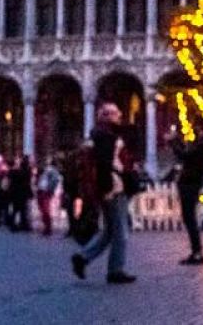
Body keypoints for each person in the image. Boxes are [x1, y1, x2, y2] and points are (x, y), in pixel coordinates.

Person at [71, 102, 138, 284]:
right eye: (116, 113)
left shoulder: (101, 134)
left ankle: (83, 257)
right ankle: (115, 270)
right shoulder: (106, 137)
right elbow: (104, 165)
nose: (120, 115)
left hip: (110, 187)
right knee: (121, 231)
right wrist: (107, 188)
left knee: (109, 230)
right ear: (107, 116)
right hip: (114, 188)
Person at [169, 121, 203, 264]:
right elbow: (187, 153)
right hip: (191, 181)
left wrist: (173, 142)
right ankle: (196, 250)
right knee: (189, 217)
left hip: (190, 182)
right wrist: (177, 140)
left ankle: (197, 251)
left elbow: (185, 156)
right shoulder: (201, 144)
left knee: (189, 217)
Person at [35, 158, 62, 236]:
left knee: (45, 209)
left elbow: (54, 181)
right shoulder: (47, 170)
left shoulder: (53, 171)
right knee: (43, 209)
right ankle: (46, 227)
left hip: (45, 191)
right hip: (41, 190)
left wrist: (50, 190)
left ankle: (48, 228)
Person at [8, 155, 34, 231]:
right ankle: (23, 224)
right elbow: (27, 183)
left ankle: (14, 225)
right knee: (22, 210)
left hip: (15, 193)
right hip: (22, 193)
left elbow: (10, 181)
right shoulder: (26, 172)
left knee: (16, 210)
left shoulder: (13, 172)